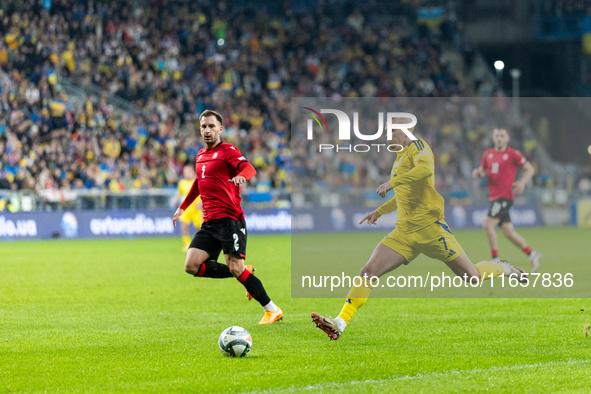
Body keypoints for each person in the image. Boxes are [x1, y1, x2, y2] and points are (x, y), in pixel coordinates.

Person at [311, 122, 527, 340]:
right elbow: (404, 194)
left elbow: (426, 170)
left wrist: (391, 182)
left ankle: (504, 268)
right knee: (368, 271)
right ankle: (339, 323)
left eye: (391, 131)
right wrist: (380, 211)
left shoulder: (419, 146)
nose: (387, 136)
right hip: (404, 233)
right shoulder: (400, 157)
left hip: (431, 230)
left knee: (472, 277)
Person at [173, 110, 283, 324]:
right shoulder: (200, 156)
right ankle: (244, 272)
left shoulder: (228, 151)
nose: (207, 130)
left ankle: (272, 309)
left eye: (211, 126)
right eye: (203, 126)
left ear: (220, 129)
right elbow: (199, 183)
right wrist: (183, 207)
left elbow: (249, 168)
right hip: (209, 222)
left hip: (230, 220)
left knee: (234, 267)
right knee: (191, 265)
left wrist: (242, 176)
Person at [472, 128, 541, 271]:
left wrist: (522, 182)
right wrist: (478, 173)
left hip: (505, 197)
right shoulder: (488, 154)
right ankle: (532, 254)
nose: (499, 138)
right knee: (508, 233)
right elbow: (482, 171)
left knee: (487, 225)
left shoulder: (513, 154)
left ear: (507, 138)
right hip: (494, 198)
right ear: (493, 138)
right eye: (496, 135)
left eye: (502, 135)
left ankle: (495, 258)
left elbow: (530, 169)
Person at [173, 165, 203, 252]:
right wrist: (176, 200)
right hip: (186, 209)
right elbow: (179, 193)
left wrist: (200, 202)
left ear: (193, 172)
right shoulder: (182, 183)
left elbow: (203, 194)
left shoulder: (197, 181)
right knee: (184, 226)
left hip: (196, 210)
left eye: (188, 172)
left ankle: (200, 244)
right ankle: (187, 244)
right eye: (185, 172)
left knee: (199, 228)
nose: (187, 174)